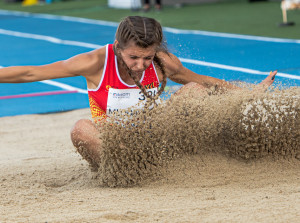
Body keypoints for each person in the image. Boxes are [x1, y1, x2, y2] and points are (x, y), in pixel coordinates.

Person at [0, 16, 276, 171]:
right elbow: (31, 73)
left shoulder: (163, 61)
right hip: (114, 141)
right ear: (117, 46)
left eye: (147, 57)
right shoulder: (94, 62)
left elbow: (203, 80)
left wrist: (251, 91)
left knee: (194, 91)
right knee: (80, 128)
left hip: (154, 137)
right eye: (134, 57)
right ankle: (117, 172)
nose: (141, 65)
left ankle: (187, 157)